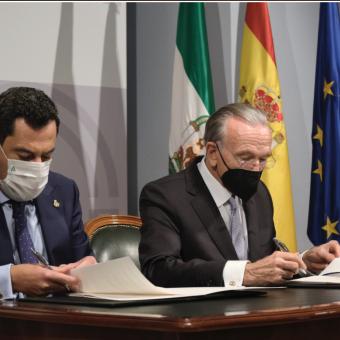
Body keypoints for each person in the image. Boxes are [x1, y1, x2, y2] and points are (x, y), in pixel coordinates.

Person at [139, 103, 340, 287]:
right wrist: (242, 273)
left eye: (263, 159)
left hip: (259, 314)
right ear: (212, 153)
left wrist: (303, 260)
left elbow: (264, 262)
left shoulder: (259, 193)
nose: (255, 168)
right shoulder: (165, 196)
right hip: (200, 318)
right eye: (246, 157)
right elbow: (159, 269)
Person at [0, 87, 96, 299]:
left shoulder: (64, 190)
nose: (37, 167)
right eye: (25, 156)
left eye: (46, 156)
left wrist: (87, 269)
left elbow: (83, 258)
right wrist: (10, 279)